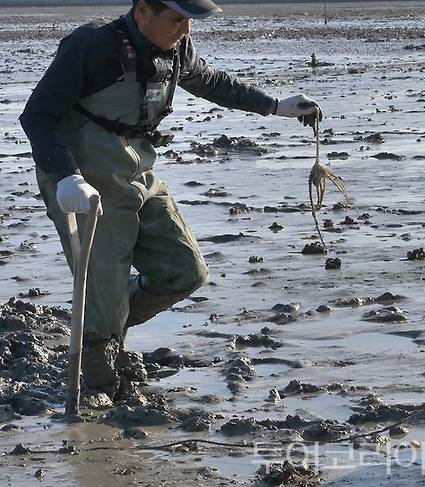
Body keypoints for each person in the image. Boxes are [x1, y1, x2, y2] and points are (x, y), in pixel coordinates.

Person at [20, 0, 322, 399]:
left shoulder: (176, 49)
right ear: (143, 10)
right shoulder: (91, 47)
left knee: (185, 270)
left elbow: (213, 82)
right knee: (104, 293)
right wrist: (66, 177)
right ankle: (100, 396)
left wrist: (274, 106)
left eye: (191, 21)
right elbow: (37, 116)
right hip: (84, 184)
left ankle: (107, 319)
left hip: (136, 173)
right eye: (177, 19)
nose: (185, 29)